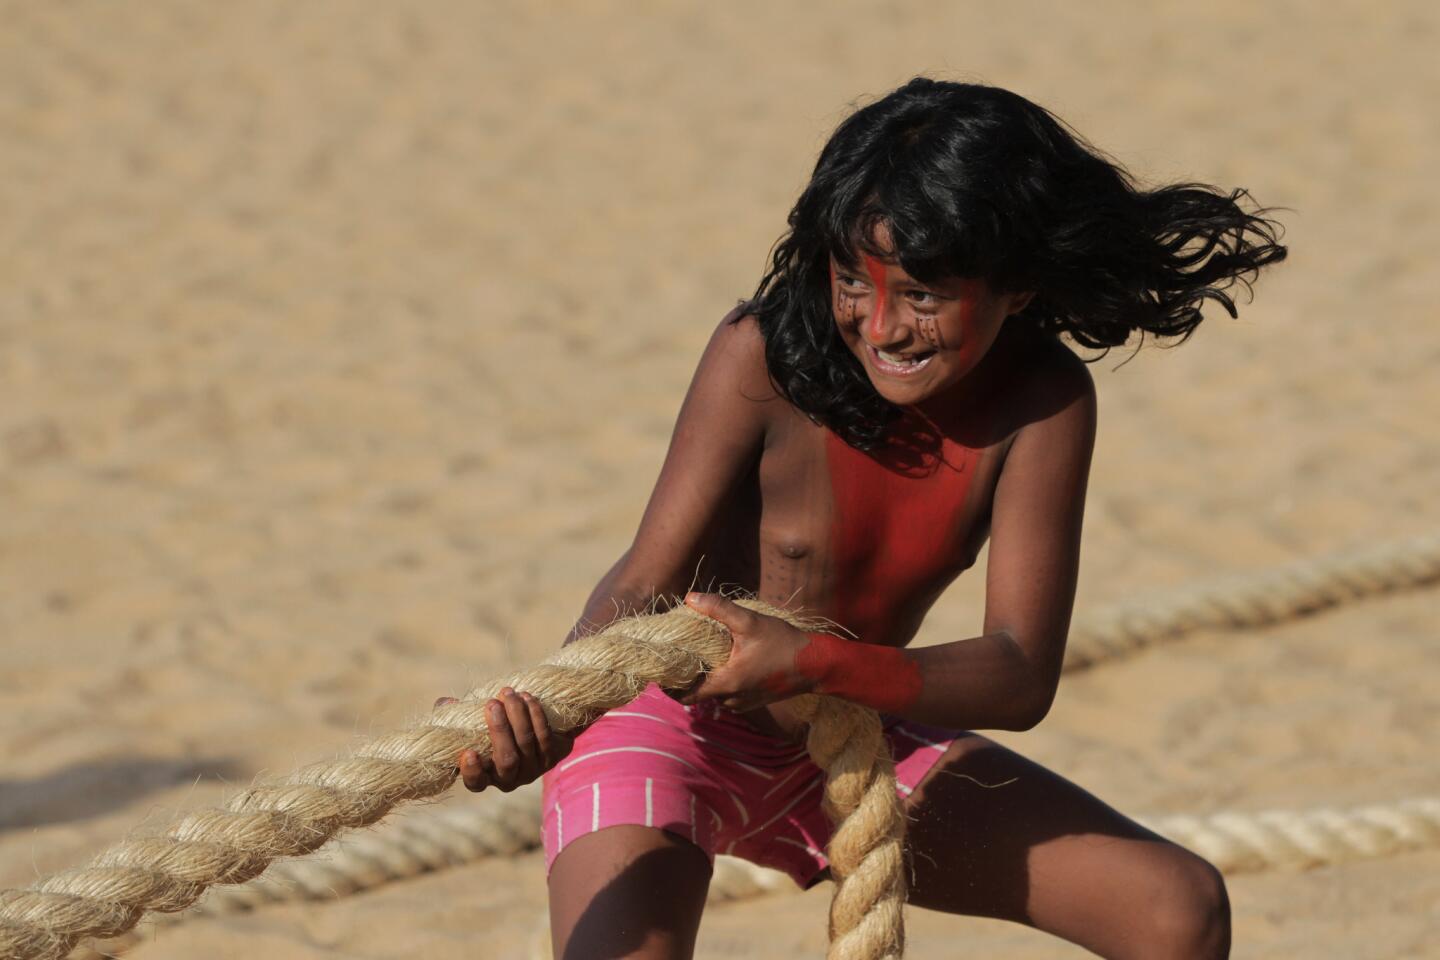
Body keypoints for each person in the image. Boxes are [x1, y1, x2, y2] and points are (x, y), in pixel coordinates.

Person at [440, 78, 1286, 959]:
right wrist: (554, 707)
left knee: (1178, 911)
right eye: (853, 279)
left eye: (922, 294)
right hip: (670, 728)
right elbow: (646, 578)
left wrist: (811, 662)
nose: (880, 326)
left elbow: (1019, 674)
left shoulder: (1044, 404)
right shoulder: (760, 355)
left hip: (849, 726)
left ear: (1020, 285)